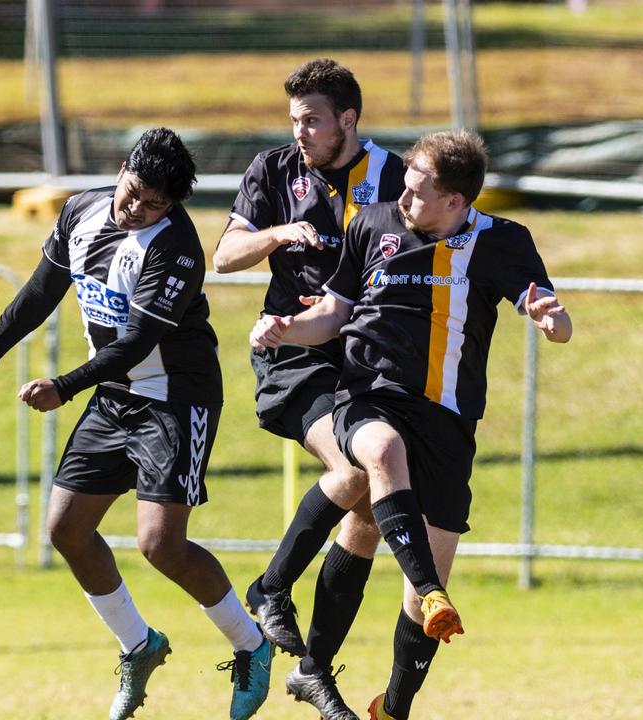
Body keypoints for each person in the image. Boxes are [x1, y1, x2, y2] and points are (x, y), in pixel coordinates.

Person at [0, 128, 271, 720]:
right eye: (135, 191)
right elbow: (38, 294)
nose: (137, 208)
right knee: (66, 528)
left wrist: (63, 387)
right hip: (112, 394)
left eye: (154, 204)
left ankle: (252, 645)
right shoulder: (82, 210)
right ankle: (138, 646)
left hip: (175, 398)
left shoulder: (176, 248)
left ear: (172, 207)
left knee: (159, 545)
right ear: (122, 169)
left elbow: (137, 341)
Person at [249, 129, 573, 720]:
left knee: (382, 536)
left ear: (457, 202)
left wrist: (553, 321)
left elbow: (549, 311)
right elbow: (331, 313)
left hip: (448, 421)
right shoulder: (373, 224)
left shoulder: (503, 242)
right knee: (380, 449)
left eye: (419, 192)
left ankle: (391, 708)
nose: (403, 199)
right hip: (369, 394)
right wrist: (284, 329)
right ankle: (416, 596)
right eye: (404, 186)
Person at [214, 57, 406, 720]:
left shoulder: (396, 178)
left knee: (368, 513)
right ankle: (269, 589)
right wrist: (275, 234)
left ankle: (315, 669)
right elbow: (225, 256)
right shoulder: (272, 171)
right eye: (294, 118)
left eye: (312, 119)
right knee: (357, 467)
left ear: (347, 120)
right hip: (292, 354)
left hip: (366, 363)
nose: (299, 130)